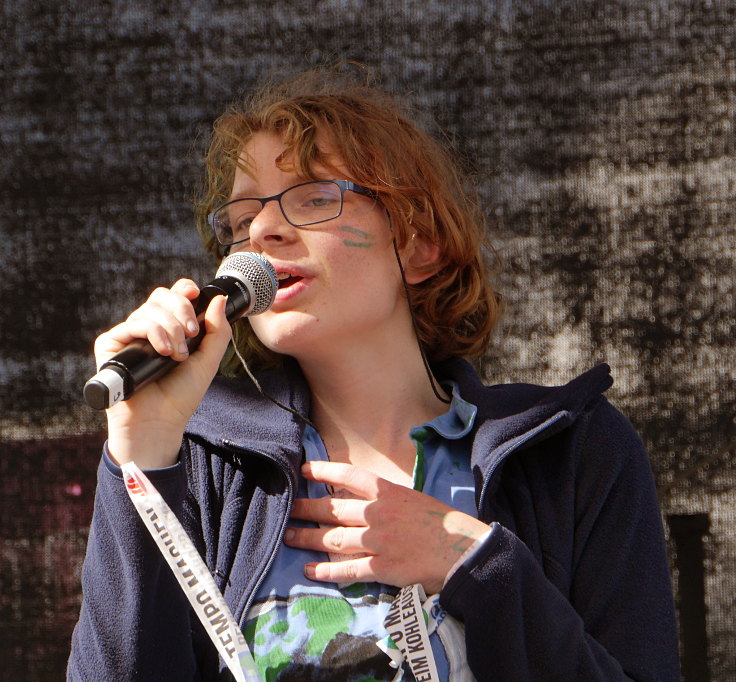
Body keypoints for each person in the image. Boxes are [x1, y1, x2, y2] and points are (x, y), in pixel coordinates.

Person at [68, 68, 680, 681]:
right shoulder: (202, 458)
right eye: (241, 216)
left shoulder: (575, 450)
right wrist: (141, 459)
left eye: (312, 196)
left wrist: (472, 561)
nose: (261, 232)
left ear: (418, 245)